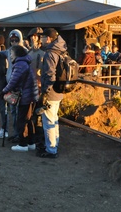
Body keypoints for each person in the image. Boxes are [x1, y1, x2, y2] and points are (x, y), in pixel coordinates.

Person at [2, 45, 39, 152]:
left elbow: (14, 81)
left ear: (17, 54)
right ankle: (31, 143)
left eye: (12, 53)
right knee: (28, 119)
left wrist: (4, 91)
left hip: (25, 96)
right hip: (31, 95)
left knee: (21, 120)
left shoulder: (20, 64)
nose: (10, 56)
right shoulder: (26, 62)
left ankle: (23, 144)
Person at [37, 27, 67, 159]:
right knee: (54, 120)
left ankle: (51, 150)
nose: (41, 39)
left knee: (48, 121)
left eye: (42, 37)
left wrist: (45, 92)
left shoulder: (50, 53)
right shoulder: (61, 50)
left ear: (48, 38)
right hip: (59, 91)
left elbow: (50, 75)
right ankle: (54, 145)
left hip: (51, 92)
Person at [1, 29, 27, 142]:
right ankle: (16, 133)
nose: (14, 42)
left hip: (19, 87)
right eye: (12, 40)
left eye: (16, 40)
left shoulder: (25, 52)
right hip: (10, 86)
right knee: (13, 111)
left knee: (19, 112)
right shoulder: (8, 51)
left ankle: (20, 135)